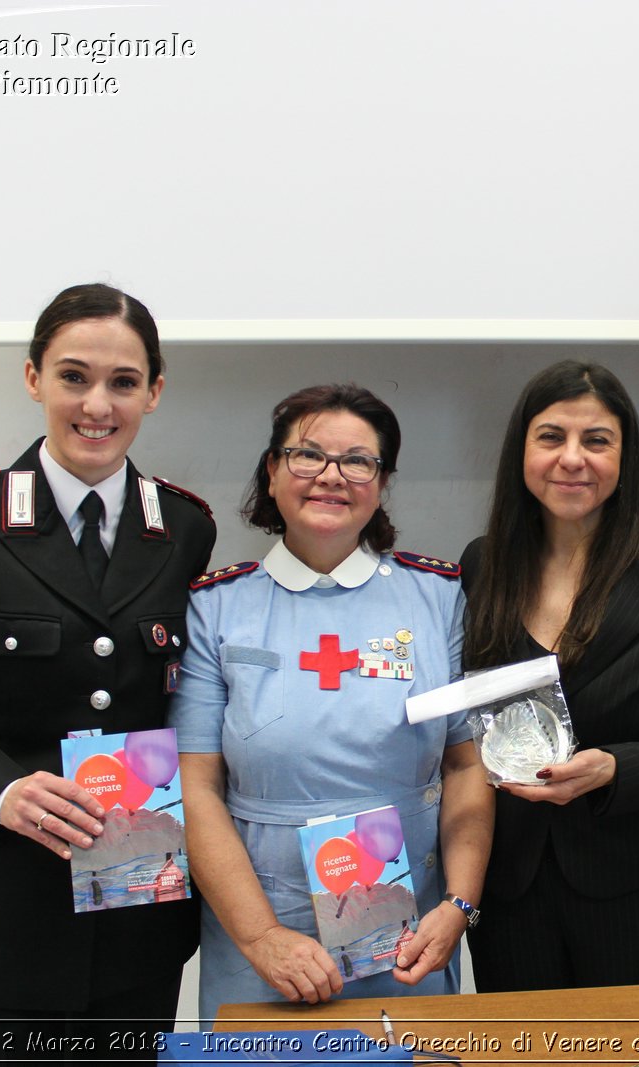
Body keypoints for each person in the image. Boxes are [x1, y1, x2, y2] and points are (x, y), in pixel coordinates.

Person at [0, 283, 215, 1060]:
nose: (98, 404)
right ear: (33, 378)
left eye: (123, 382)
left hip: (133, 916)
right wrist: (1, 789)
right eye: (73, 376)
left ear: (154, 392)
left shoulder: (184, 528)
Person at [171, 384, 493, 1024]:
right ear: (271, 470)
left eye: (357, 460)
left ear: (382, 481)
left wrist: (459, 905)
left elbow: (465, 764)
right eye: (307, 455)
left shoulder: (438, 597)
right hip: (262, 926)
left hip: (408, 925)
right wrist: (262, 939)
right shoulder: (216, 606)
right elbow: (195, 785)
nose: (331, 476)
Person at [461, 360, 639, 991]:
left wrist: (616, 769)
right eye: (551, 437)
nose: (572, 459)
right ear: (521, 450)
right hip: (508, 884)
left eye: (597, 440)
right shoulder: (482, 565)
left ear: (624, 455)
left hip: (631, 885)